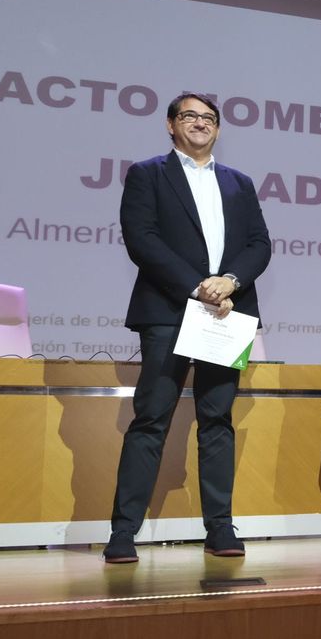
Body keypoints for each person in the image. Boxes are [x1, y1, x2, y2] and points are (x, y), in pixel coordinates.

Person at [104, 93, 271, 563]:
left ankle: (220, 527)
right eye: (190, 116)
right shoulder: (148, 174)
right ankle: (123, 531)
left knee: (217, 421)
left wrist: (230, 281)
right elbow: (142, 240)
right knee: (151, 419)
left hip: (228, 312)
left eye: (209, 118)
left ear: (218, 128)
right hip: (169, 311)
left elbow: (259, 243)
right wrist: (197, 287)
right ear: (170, 125)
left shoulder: (239, 182)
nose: (200, 123)